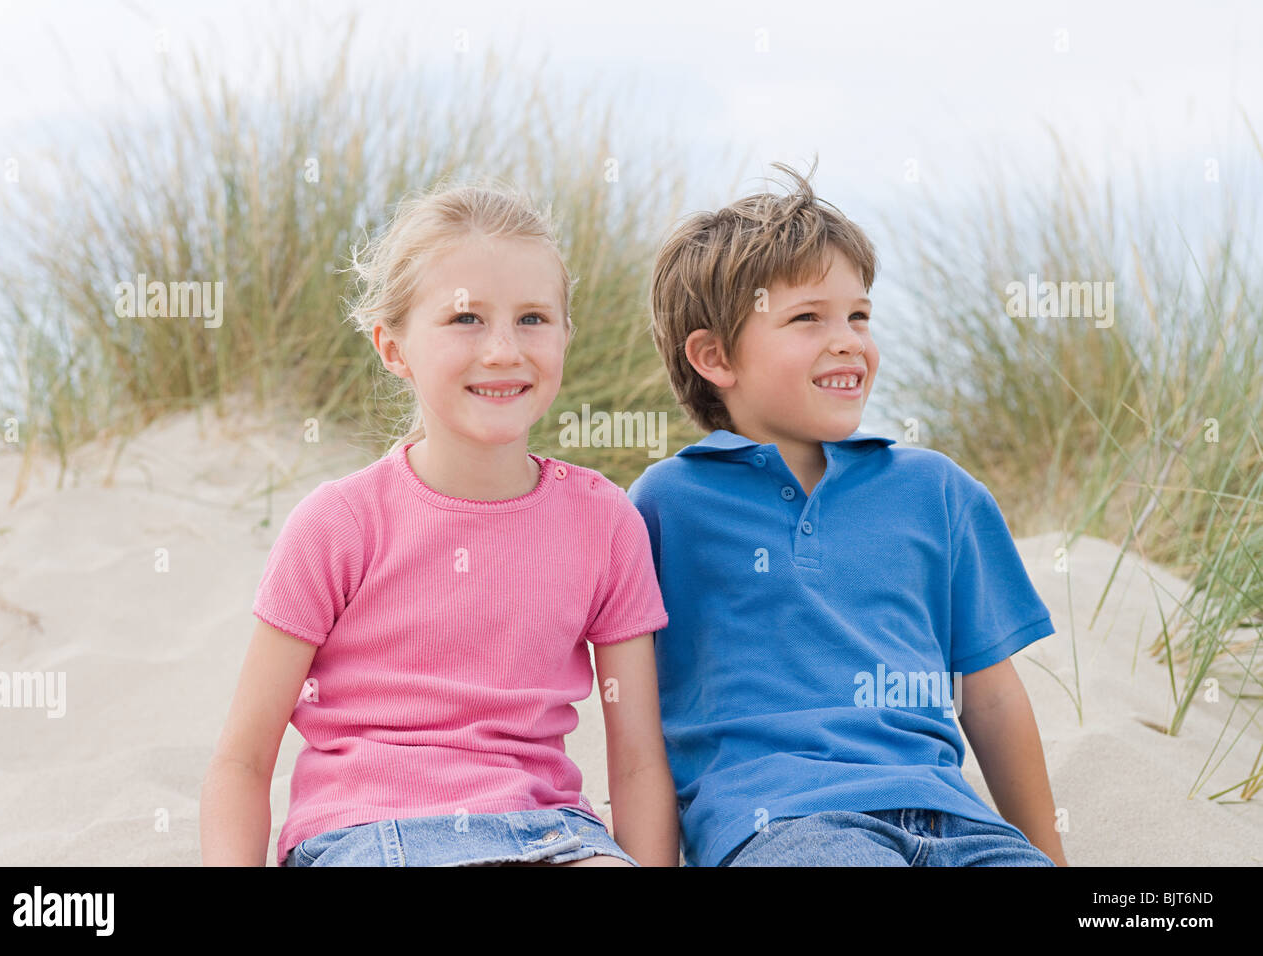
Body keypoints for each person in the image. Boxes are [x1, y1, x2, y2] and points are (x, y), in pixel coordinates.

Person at [200, 178, 678, 867]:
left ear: (567, 337)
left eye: (534, 319)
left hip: (553, 835)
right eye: (465, 319)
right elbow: (242, 761)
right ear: (394, 348)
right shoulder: (337, 524)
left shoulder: (605, 520)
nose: (504, 350)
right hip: (371, 834)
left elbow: (636, 765)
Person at [627, 159, 1068, 867]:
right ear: (715, 357)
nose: (848, 340)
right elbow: (635, 720)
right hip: (785, 823)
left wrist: (1049, 858)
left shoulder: (935, 490)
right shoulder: (664, 506)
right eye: (808, 318)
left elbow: (990, 699)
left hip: (953, 819)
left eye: (859, 315)